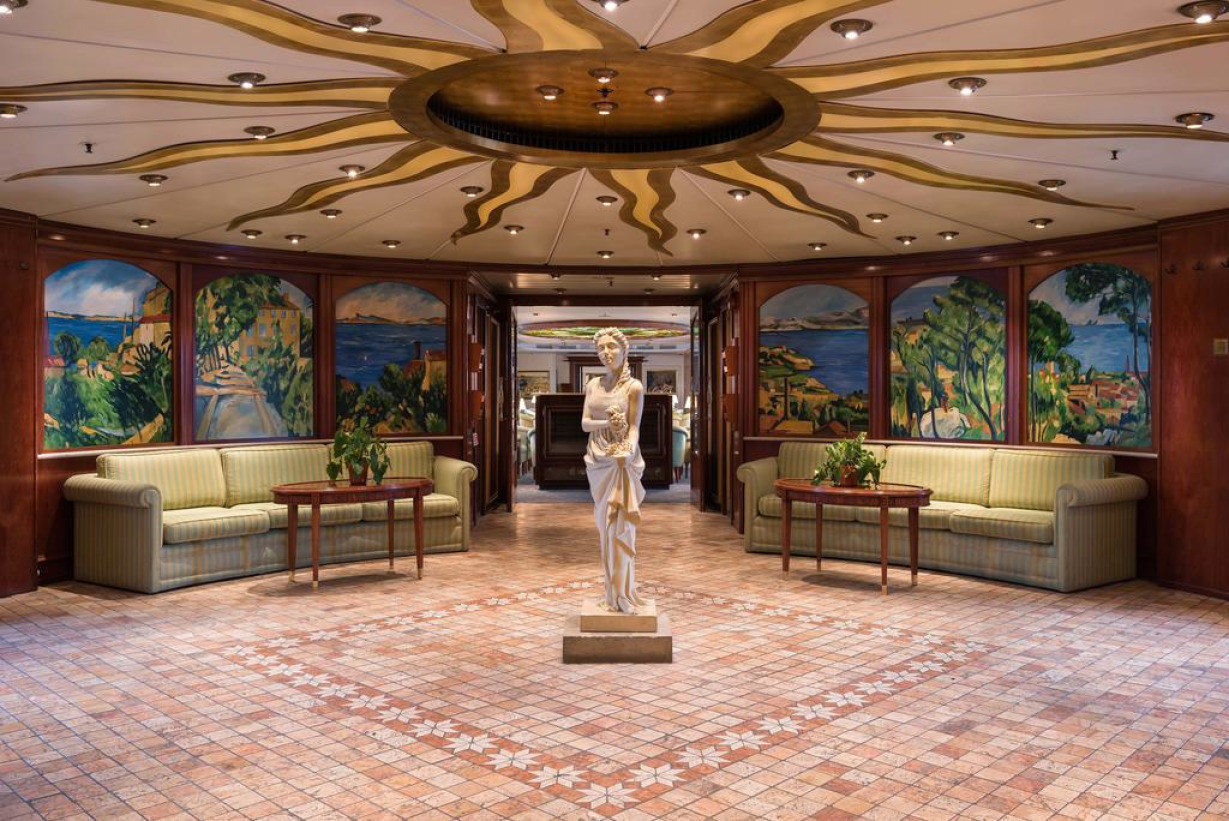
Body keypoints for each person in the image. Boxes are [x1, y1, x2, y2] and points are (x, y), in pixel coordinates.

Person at [581, 327, 647, 614]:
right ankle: (611, 593)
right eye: (601, 348)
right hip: (598, 459)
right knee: (604, 526)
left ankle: (622, 594)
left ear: (624, 350)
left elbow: (634, 428)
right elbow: (585, 423)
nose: (605, 352)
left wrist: (628, 450)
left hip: (621, 460)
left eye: (611, 347)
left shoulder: (634, 387)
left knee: (619, 526)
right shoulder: (593, 384)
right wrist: (606, 423)